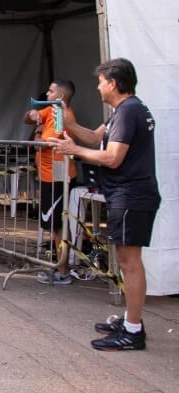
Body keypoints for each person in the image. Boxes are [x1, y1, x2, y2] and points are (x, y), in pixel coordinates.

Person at [53, 59, 159, 352]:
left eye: (101, 82)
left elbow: (113, 157)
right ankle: (129, 321)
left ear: (113, 83)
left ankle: (133, 331)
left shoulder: (128, 111)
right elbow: (97, 138)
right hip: (125, 195)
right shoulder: (121, 111)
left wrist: (74, 151)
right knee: (127, 262)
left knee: (130, 263)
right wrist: (70, 125)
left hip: (131, 195)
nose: (98, 87)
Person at [23, 79, 77, 284]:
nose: (46, 93)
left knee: (57, 225)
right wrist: (33, 115)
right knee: (54, 224)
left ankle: (63, 270)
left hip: (58, 176)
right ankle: (59, 265)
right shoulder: (50, 110)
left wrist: (37, 130)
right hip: (49, 175)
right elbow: (27, 118)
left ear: (61, 96)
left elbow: (41, 145)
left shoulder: (63, 115)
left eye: (51, 91)